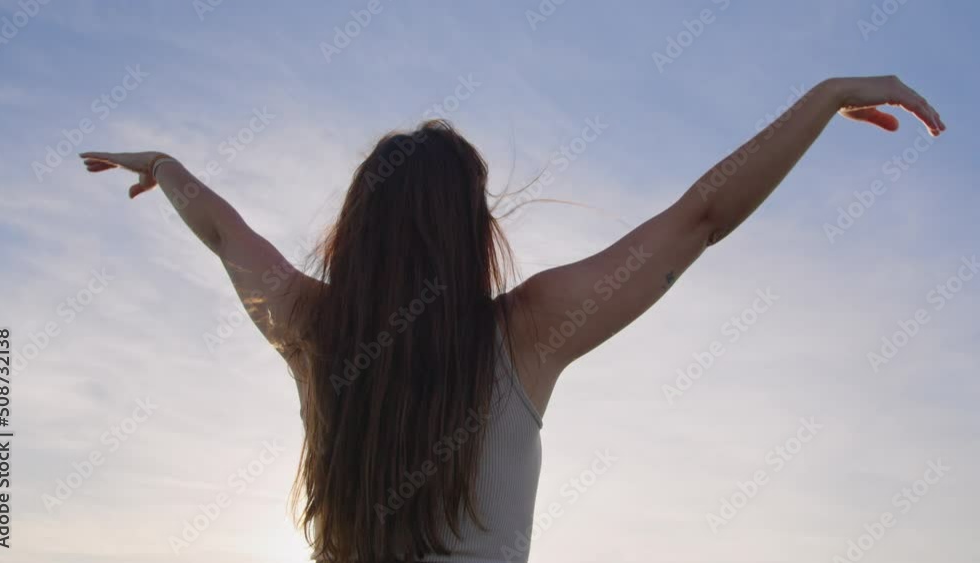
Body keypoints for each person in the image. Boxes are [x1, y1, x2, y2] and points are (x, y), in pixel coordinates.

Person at [80, 75, 945, 563]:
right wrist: (823, 98)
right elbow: (700, 218)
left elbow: (224, 230)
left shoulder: (312, 325)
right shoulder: (527, 330)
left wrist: (165, 164)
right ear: (471, 231)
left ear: (359, 230)